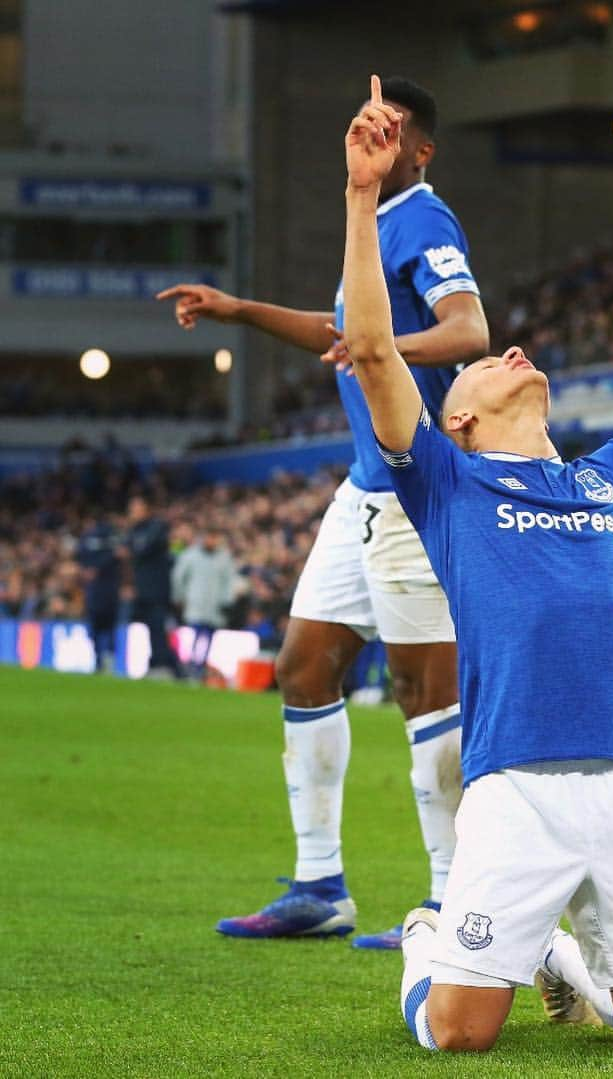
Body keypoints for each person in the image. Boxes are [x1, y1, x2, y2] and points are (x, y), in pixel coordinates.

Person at [339, 78, 613, 1052]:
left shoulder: (608, 476)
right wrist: (363, 200)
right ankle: (431, 936)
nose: (516, 351)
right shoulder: (446, 481)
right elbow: (372, 351)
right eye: (490, 362)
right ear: (457, 415)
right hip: (517, 783)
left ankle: (568, 957)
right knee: (458, 1032)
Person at [157, 77, 489, 945]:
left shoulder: (423, 217)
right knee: (304, 664)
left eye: (394, 127)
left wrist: (386, 348)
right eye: (362, 123)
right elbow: (336, 328)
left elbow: (467, 330)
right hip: (363, 488)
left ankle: (455, 903)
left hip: (423, 485)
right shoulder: (369, 226)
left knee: (425, 691)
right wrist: (238, 310)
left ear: (420, 149)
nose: (375, 136)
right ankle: (319, 885)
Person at [123, 497, 181, 679]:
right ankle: (158, 663)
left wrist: (132, 548)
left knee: (158, 628)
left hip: (157, 590)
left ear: (146, 509)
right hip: (142, 590)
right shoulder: (134, 530)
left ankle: (165, 665)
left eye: (136, 509)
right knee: (150, 629)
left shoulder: (157, 527)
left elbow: (140, 549)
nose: (132, 513)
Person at [171, 529, 237, 679]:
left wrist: (227, 601)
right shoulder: (191, 555)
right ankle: (189, 665)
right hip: (195, 603)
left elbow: (229, 581)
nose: (211, 541)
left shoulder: (224, 558)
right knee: (193, 634)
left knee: (209, 637)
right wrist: (179, 597)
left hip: (214, 606)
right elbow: (179, 577)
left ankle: (200, 667)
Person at [76, 516, 121, 673]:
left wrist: (91, 569)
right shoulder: (112, 540)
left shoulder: (89, 541)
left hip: (102, 592)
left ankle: (102, 660)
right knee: (106, 628)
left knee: (103, 628)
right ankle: (103, 660)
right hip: (105, 592)